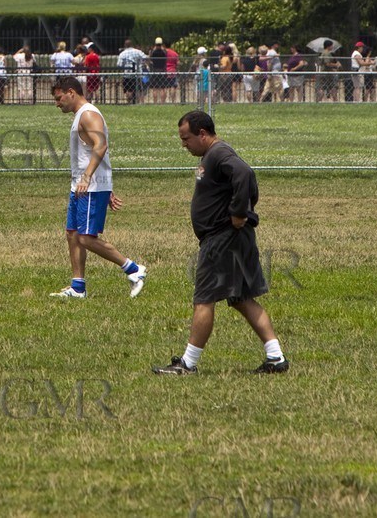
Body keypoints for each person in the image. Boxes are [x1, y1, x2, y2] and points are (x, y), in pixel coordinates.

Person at [155, 111, 288, 375]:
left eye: (186, 138)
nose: (184, 144)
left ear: (202, 134)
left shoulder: (218, 153)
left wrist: (240, 213)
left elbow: (245, 173)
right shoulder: (214, 154)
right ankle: (276, 358)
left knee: (204, 299)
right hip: (234, 239)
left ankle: (188, 364)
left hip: (222, 239)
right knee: (241, 298)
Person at [48, 77, 146, 299]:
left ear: (71, 92)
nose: (57, 103)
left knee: (86, 237)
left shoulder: (89, 114)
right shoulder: (80, 116)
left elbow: (101, 145)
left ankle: (133, 270)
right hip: (84, 186)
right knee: (72, 234)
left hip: (89, 186)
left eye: (58, 98)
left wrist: (90, 178)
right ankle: (78, 287)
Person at [118, 39, 146, 104]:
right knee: (138, 89)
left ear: (125, 45)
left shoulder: (122, 54)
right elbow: (145, 57)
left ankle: (129, 102)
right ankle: (138, 102)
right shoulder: (138, 52)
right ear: (132, 45)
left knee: (128, 90)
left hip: (127, 74)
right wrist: (141, 64)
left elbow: (119, 64)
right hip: (137, 73)